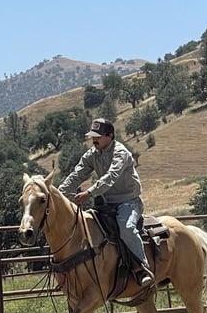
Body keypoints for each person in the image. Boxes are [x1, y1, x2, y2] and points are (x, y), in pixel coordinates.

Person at [58, 118, 154, 287]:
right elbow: (77, 175)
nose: (94, 140)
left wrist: (89, 192)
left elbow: (111, 176)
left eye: (98, 136)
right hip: (105, 204)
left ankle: (142, 268)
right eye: (92, 136)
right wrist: (57, 195)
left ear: (110, 136)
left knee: (126, 228)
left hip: (128, 202)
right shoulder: (92, 154)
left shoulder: (121, 153)